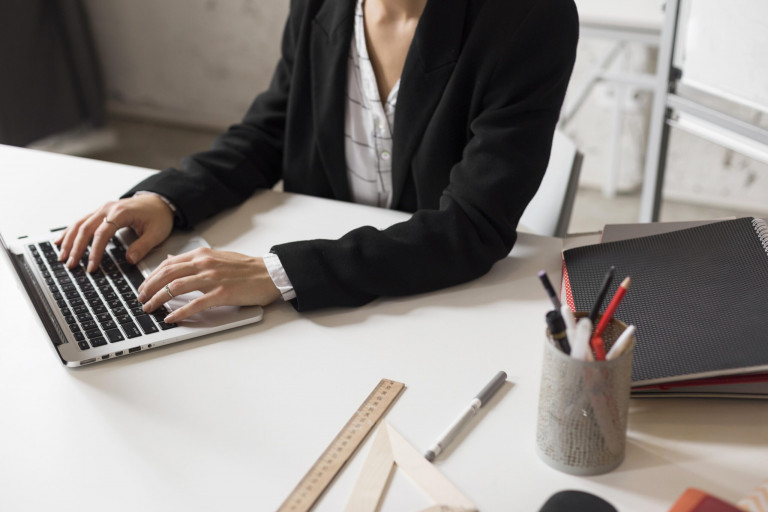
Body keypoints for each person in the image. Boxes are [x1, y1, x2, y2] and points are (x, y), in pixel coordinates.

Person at [55, 0, 579, 321]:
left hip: (430, 299)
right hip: (329, 298)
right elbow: (273, 128)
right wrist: (168, 198)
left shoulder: (532, 16)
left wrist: (279, 273)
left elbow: (473, 227)